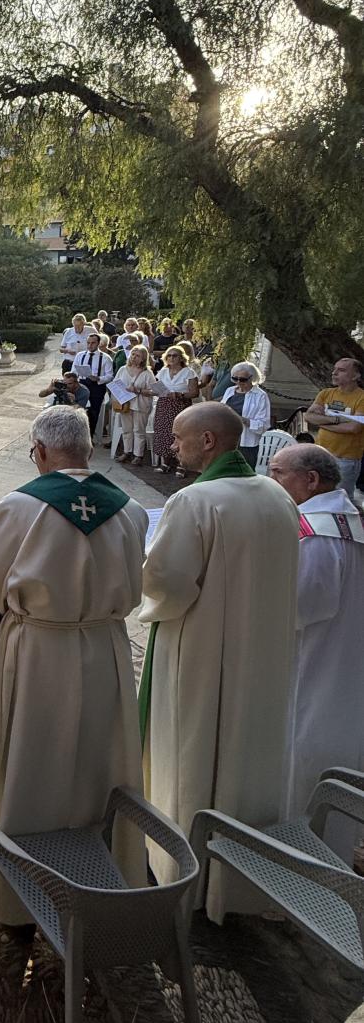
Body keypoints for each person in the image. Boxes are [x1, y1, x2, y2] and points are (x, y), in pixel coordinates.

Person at [0, 406, 148, 922]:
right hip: (105, 647)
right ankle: (95, 869)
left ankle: (21, 885)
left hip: (37, 648)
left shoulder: (18, 506)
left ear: (41, 451)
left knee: (31, 753)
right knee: (98, 754)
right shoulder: (131, 510)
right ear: (88, 449)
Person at [141, 402, 298, 921]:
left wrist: (145, 578)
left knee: (194, 748)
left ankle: (182, 873)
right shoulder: (277, 494)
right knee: (246, 757)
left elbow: (166, 581)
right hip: (263, 653)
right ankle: (238, 881)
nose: (172, 446)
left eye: (180, 437)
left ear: (208, 441)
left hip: (204, 650)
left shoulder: (195, 500)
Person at [268, 443, 364, 857]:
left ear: (310, 480)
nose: (270, 480)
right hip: (346, 661)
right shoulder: (349, 519)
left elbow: (302, 607)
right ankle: (331, 853)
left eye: (278, 472)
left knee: (302, 758)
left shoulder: (315, 532)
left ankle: (297, 858)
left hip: (313, 662)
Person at [304, 356, 364, 498]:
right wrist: (337, 420)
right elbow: (309, 416)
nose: (334, 373)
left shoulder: (361, 398)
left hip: (346, 459)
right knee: (315, 495)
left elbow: (353, 428)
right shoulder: (326, 393)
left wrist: (322, 423)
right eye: (334, 369)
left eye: (341, 370)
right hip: (320, 455)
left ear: (356, 376)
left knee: (340, 499)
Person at [152, 345, 199, 475]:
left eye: (175, 355)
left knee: (181, 434)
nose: (171, 358)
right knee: (164, 433)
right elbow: (157, 388)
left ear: (181, 358)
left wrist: (179, 395)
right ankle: (166, 462)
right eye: (169, 355)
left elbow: (194, 392)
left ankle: (182, 464)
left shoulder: (189, 372)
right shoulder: (163, 371)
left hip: (180, 405)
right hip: (164, 405)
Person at [219, 361, 271, 466]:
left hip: (246, 443)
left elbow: (264, 425)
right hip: (226, 440)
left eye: (243, 379)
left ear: (252, 378)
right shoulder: (229, 391)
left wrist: (242, 420)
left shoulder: (260, 396)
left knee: (244, 470)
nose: (238, 382)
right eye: (235, 378)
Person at [112, 344, 156, 465]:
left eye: (137, 356)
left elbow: (154, 391)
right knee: (127, 429)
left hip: (140, 405)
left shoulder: (147, 373)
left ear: (143, 358)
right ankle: (127, 452)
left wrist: (138, 390)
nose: (134, 357)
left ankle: (138, 455)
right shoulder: (122, 369)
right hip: (125, 404)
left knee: (138, 430)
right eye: (133, 354)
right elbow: (115, 384)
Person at [71, 332, 113, 437]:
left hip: (97, 386)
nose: (90, 345)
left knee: (94, 412)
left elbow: (110, 375)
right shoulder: (80, 355)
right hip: (81, 385)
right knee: (78, 410)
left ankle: (90, 436)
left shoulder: (105, 358)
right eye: (88, 343)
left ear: (98, 343)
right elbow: (73, 371)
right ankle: (77, 435)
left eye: (93, 343)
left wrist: (99, 378)